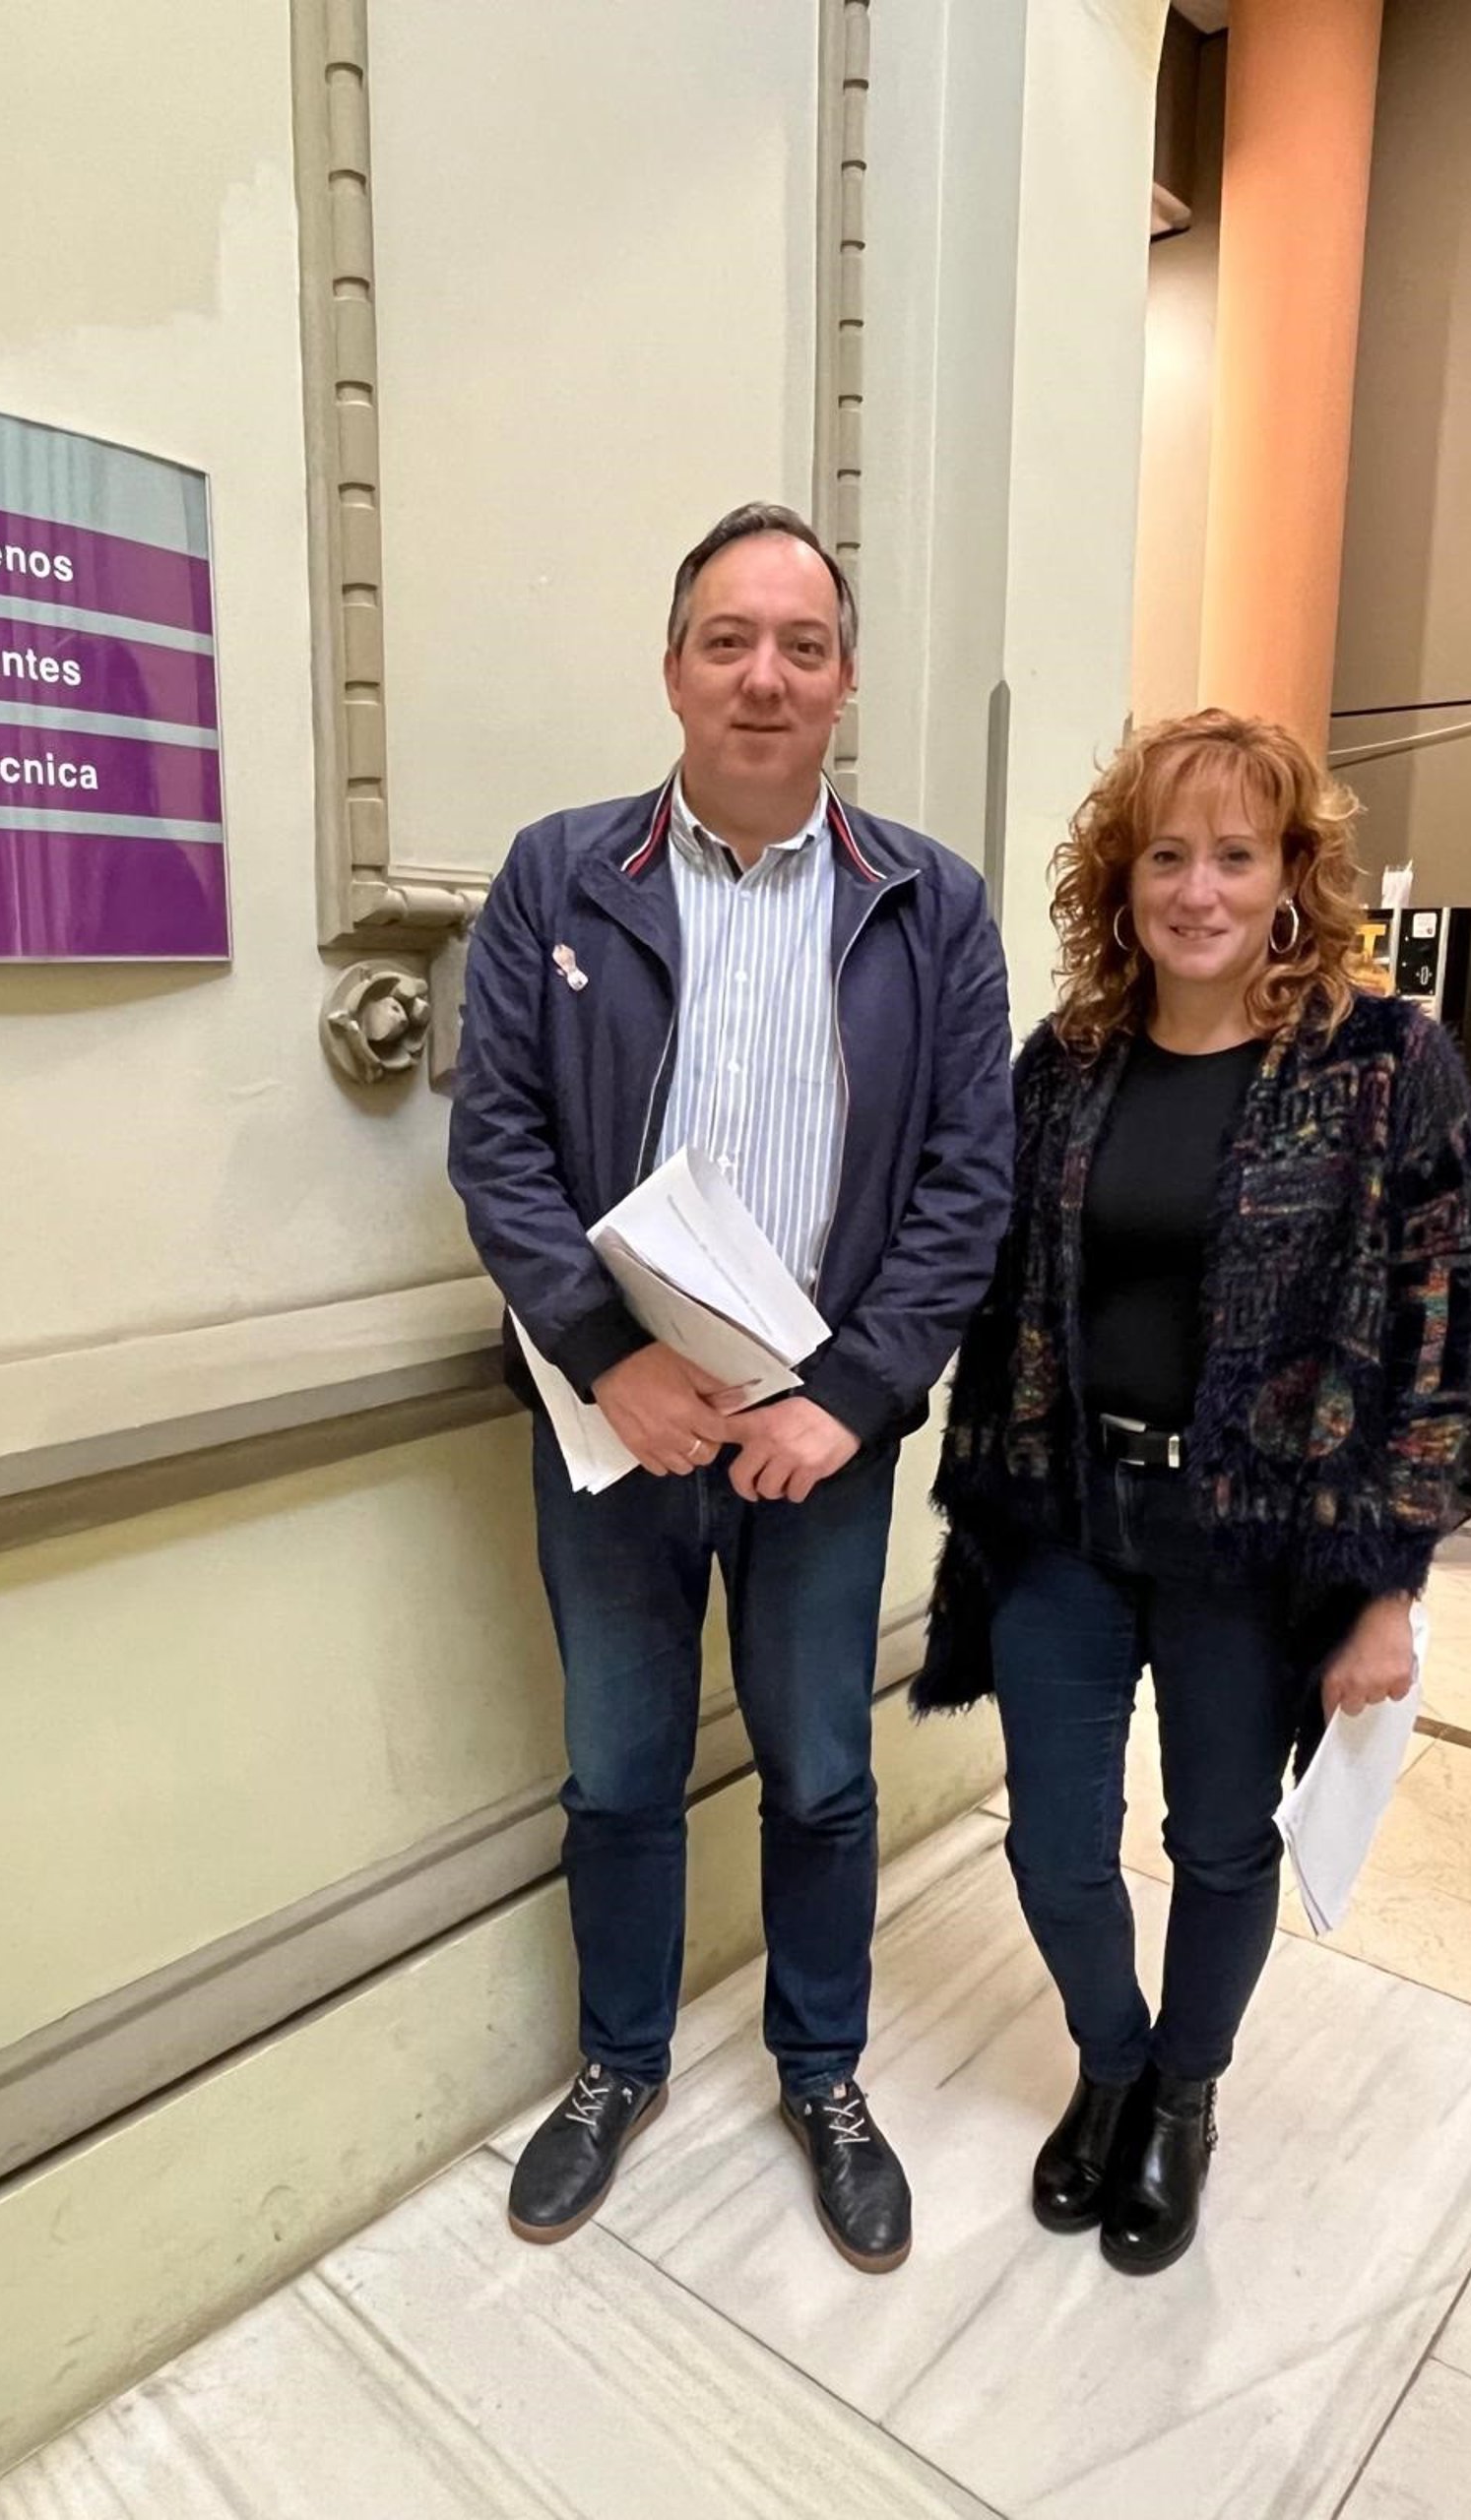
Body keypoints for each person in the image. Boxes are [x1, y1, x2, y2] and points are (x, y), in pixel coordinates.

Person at [449, 502, 1013, 2271]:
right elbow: (498, 1148)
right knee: (618, 1773)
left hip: (819, 1442)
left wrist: (853, 1395)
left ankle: (822, 2075)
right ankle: (618, 2065)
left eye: (802, 645)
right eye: (728, 640)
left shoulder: (932, 905)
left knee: (823, 1775)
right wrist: (609, 1360)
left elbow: (968, 1182)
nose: (764, 676)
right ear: (675, 669)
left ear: (844, 681)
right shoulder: (559, 878)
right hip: (615, 1426)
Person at [917, 709, 1471, 2275]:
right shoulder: (1066, 1066)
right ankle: (1113, 2062)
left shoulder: (1387, 1065)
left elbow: (1439, 1344)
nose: (1199, 890)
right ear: (1121, 879)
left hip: (1255, 1543)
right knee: (1053, 1845)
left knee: (1222, 1843)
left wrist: (1391, 1589)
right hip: (1065, 1515)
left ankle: (1185, 2096)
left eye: (1236, 855)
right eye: (1165, 855)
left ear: (1292, 875)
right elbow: (984, 1277)